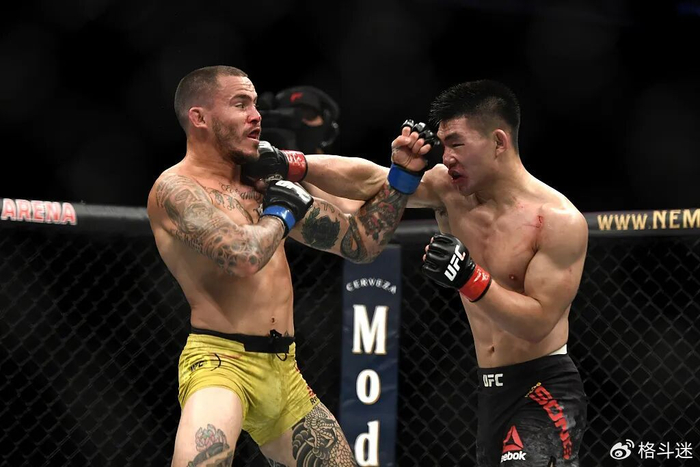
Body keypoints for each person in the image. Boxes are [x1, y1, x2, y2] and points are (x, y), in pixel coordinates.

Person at [246, 80, 589, 466]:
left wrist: (470, 278)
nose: (448, 157)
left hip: (543, 386)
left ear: (498, 141)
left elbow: (537, 324)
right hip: (489, 391)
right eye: (443, 146)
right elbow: (369, 181)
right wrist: (290, 162)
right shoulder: (448, 189)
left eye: (457, 144)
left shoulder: (557, 220)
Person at [146, 65, 437, 466]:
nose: (256, 115)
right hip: (220, 365)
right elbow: (243, 257)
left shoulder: (261, 186)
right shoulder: (176, 189)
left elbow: (360, 243)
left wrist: (401, 177)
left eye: (254, 104)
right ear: (199, 117)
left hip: (284, 370)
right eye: (240, 104)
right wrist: (283, 212)